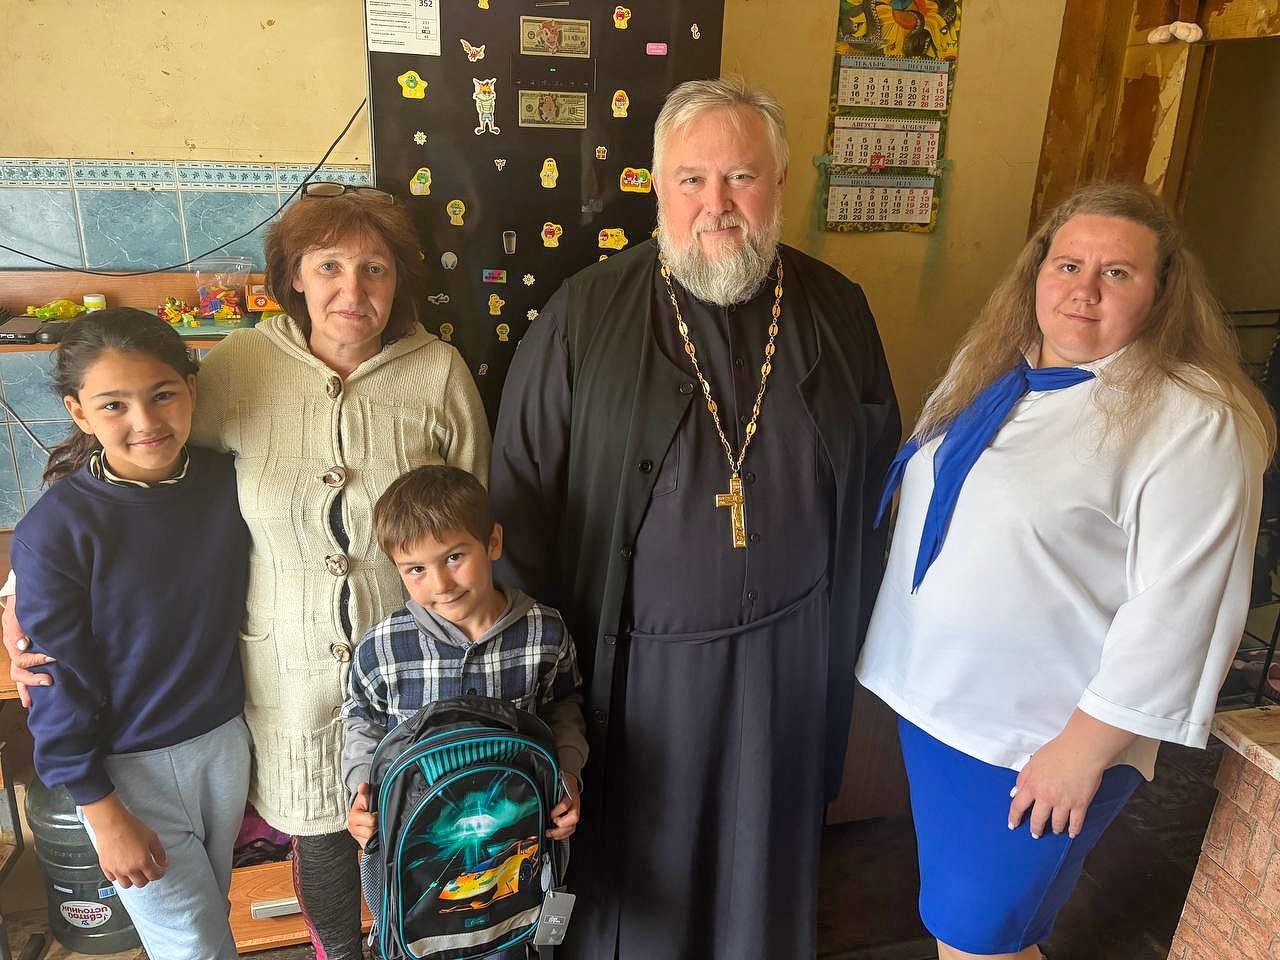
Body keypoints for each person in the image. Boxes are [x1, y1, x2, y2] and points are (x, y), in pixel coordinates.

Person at [5, 183, 491, 960]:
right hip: (284, 671)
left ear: (399, 279)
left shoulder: (437, 373)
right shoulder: (240, 365)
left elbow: (474, 515)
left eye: (374, 268)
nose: (352, 289)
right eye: (328, 266)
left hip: (413, 659)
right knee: (319, 836)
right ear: (294, 275)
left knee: (414, 830)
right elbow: (139, 469)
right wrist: (17, 594)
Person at [488, 77, 900, 959]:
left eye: (740, 177)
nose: (717, 204)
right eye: (692, 180)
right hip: (638, 680)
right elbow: (519, 503)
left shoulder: (839, 309)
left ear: (780, 183)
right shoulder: (583, 315)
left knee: (766, 879)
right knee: (641, 895)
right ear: (658, 188)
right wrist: (541, 694)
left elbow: (877, 483)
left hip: (790, 665)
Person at [855, 182, 1275, 960]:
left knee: (980, 936)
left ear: (1163, 294)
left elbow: (1184, 609)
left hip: (1038, 739)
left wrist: (1083, 750)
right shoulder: (993, 368)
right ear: (1036, 273)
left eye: (1117, 273)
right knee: (968, 931)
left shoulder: (1195, 421)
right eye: (1068, 264)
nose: (1084, 290)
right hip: (941, 706)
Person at [11, 309, 252, 959]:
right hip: (131, 763)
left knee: (210, 917)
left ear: (191, 391)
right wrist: (100, 809)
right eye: (114, 404)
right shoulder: (57, 530)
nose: (145, 421)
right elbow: (55, 680)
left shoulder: (228, 482)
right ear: (79, 412)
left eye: (162, 394)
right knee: (193, 945)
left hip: (225, 742)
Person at [341, 465, 587, 956]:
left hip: (516, 843)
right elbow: (361, 719)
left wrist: (569, 774)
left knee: (514, 940)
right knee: (416, 940)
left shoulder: (545, 630)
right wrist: (359, 791)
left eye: (454, 557)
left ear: (493, 542)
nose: (440, 583)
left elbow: (565, 705)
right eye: (415, 569)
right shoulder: (382, 645)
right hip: (418, 856)